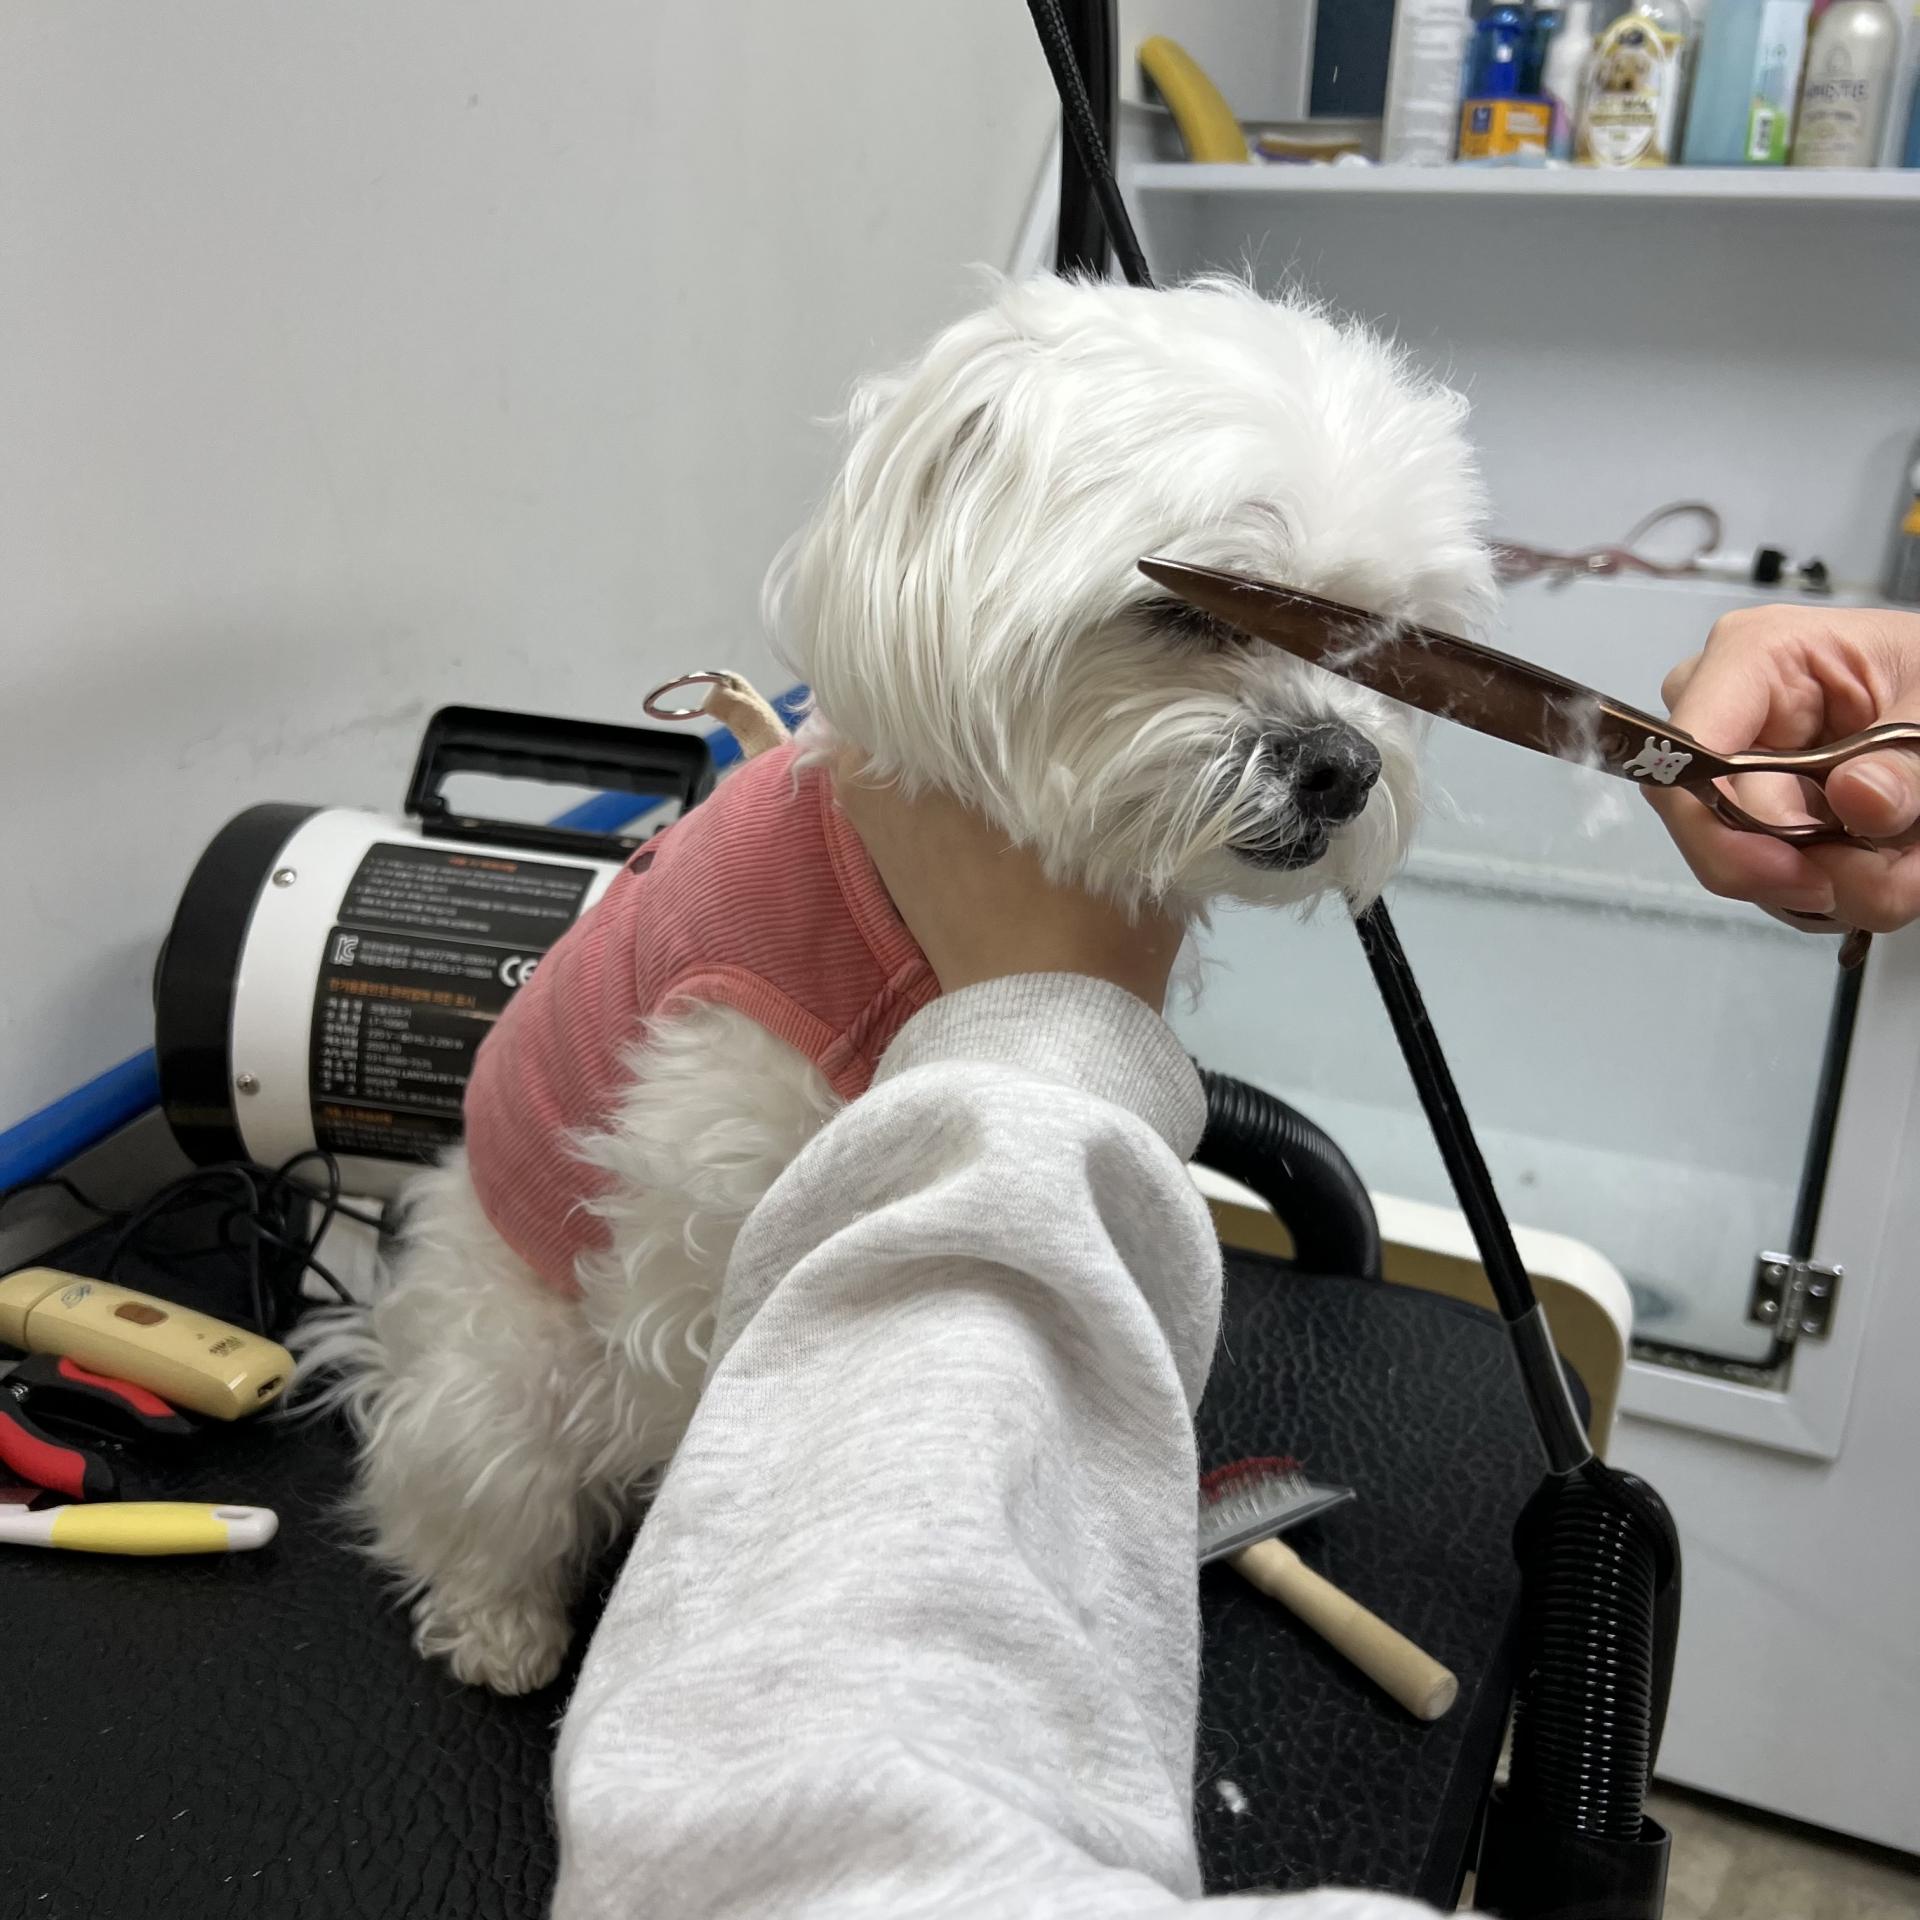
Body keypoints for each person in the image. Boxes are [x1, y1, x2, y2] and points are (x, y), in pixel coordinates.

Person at [549, 606, 1920, 1918]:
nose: (1343, 729)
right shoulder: (761, 912)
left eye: (1372, 657)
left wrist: (1052, 1011)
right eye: (1194, 624)